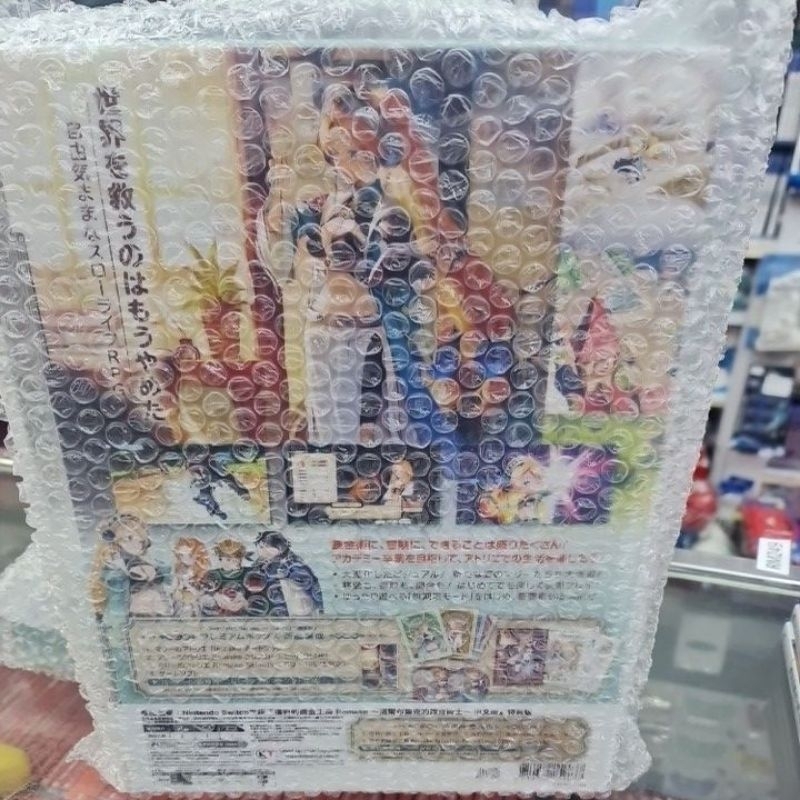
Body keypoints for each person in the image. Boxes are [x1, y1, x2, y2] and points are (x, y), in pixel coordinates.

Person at [90, 514, 171, 618]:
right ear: (116, 543)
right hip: (131, 615)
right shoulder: (114, 567)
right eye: (128, 538)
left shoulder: (151, 563)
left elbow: (167, 581)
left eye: (140, 537)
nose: (137, 542)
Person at [248, 531, 323, 616]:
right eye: (260, 547)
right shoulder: (260, 567)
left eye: (264, 546)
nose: (261, 551)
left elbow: (309, 594)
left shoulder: (295, 566)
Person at [204, 539, 249, 615]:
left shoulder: (249, 573)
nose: (233, 561)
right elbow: (205, 593)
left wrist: (244, 602)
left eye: (236, 558)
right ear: (220, 558)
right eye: (228, 559)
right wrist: (216, 596)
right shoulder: (212, 575)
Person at [171, 537, 210, 616]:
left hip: (197, 605)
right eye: (182, 555)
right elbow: (173, 590)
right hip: (181, 605)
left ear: (198, 555)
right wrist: (178, 590)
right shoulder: (179, 572)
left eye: (189, 555)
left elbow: (205, 593)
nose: (185, 559)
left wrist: (193, 591)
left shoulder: (203, 572)